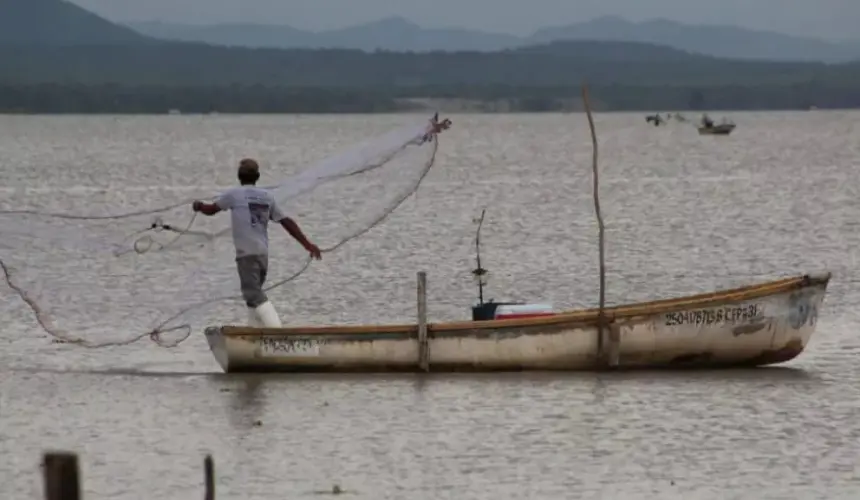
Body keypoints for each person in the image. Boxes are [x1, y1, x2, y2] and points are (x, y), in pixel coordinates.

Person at [192, 158, 322, 328]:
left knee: (253, 295)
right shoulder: (267, 197)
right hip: (262, 255)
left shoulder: (234, 195)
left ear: (239, 176)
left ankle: (278, 336)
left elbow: (211, 210)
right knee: (253, 298)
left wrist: (199, 206)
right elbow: (286, 222)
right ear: (258, 176)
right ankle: (254, 334)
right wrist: (308, 245)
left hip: (247, 254)